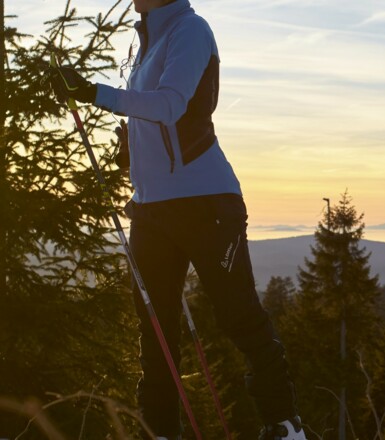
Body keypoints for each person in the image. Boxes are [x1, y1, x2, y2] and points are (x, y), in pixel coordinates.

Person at [49, 1, 306, 439]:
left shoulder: (190, 30)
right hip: (151, 209)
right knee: (156, 333)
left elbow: (170, 105)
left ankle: (284, 425)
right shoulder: (148, 40)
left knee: (239, 316)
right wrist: (132, 150)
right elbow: (154, 120)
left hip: (206, 203)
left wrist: (93, 93)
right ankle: (160, 431)